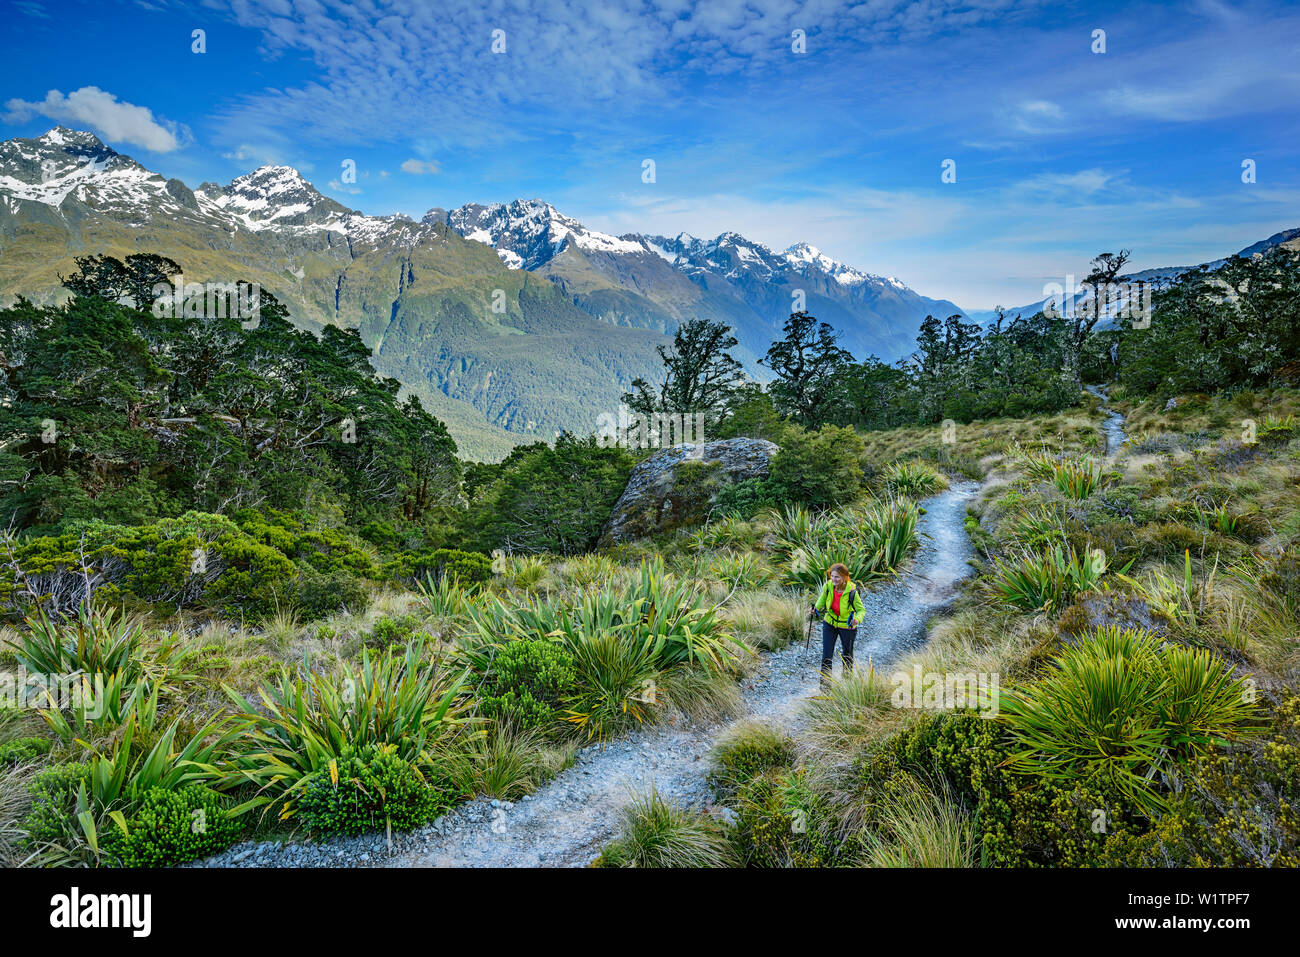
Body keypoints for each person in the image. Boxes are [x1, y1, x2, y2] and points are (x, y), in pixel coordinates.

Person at [809, 563, 865, 690]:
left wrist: (857, 619)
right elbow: (822, 599)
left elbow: (861, 610)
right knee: (826, 655)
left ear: (845, 577)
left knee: (847, 655)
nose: (834, 579)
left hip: (847, 626)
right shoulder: (828, 586)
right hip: (830, 623)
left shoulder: (852, 592)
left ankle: (847, 685)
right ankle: (825, 687)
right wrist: (816, 609)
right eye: (832, 576)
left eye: (837, 577)